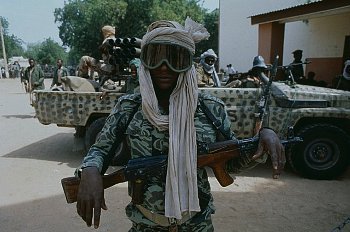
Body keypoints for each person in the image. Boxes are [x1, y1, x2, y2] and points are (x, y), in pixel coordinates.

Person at [75, 18, 285, 231]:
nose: (164, 68)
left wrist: (262, 139)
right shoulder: (128, 107)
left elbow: (231, 162)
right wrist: (90, 170)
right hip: (145, 226)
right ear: (145, 62)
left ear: (187, 63)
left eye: (174, 59)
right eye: (155, 58)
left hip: (197, 225)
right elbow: (100, 149)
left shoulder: (210, 108)